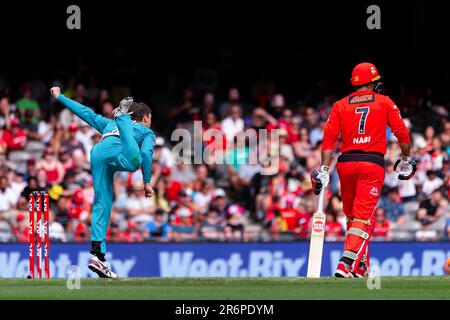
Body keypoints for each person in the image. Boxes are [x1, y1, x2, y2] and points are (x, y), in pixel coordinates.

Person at [310, 62, 416, 278]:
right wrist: (406, 158)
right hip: (371, 163)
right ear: (371, 83)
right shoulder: (384, 102)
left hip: (346, 163)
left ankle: (360, 265)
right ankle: (346, 263)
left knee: (354, 216)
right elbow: (402, 134)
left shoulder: (340, 105)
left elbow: (328, 140)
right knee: (362, 216)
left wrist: (323, 168)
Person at [50, 86, 155, 278]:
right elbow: (147, 154)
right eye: (150, 120)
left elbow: (85, 113)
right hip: (119, 152)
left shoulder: (107, 124)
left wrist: (60, 97)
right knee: (136, 161)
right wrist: (147, 182)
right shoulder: (146, 132)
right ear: (145, 118)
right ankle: (121, 116)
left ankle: (98, 257)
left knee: (102, 203)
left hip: (98, 153)